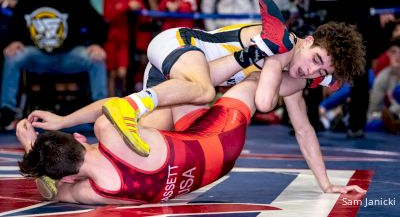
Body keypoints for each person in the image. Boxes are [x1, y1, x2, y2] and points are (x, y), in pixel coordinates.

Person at [17, 72, 366, 204]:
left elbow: (56, 191)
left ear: (71, 174)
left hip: (210, 170)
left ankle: (209, 85)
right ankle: (314, 79)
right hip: (216, 142)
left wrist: (32, 151)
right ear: (79, 141)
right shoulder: (107, 132)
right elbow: (108, 109)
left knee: (166, 108)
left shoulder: (91, 192)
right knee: (255, 81)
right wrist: (60, 122)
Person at [102, 0, 365, 157]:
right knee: (202, 93)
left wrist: (326, 183)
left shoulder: (291, 67)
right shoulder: (279, 50)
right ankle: (119, 110)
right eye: (315, 63)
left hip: (186, 74)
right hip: (181, 47)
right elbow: (261, 101)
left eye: (319, 73)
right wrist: (273, 63)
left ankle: (72, 144)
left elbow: (304, 130)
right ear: (307, 41)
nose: (309, 71)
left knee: (147, 142)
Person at [0, 0, 108, 130]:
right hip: (37, 56)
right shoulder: (26, 0)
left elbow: (98, 23)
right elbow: (13, 27)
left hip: (68, 55)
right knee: (13, 56)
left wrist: (96, 44)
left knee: (96, 59)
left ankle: (99, 111)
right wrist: (13, 41)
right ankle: (7, 112)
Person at [367, 37, 400, 134]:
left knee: (397, 91)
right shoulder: (384, 76)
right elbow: (373, 110)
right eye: (393, 52)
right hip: (388, 117)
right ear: (388, 54)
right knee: (373, 124)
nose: (397, 56)